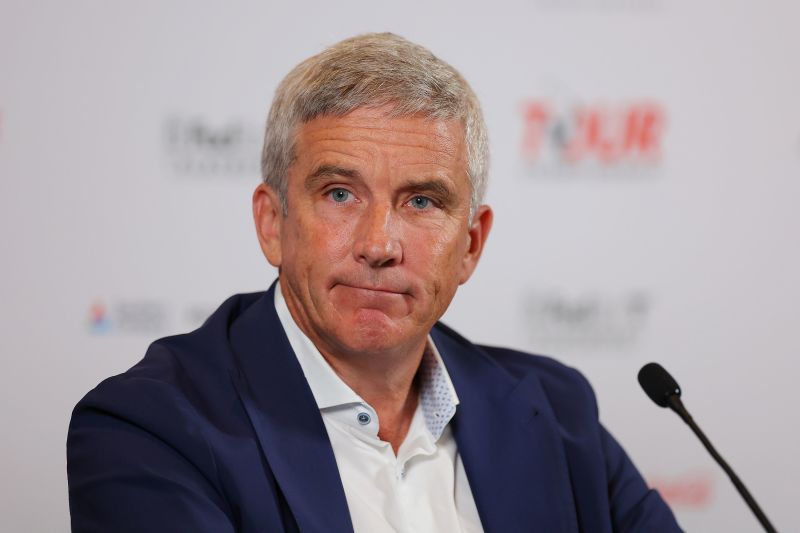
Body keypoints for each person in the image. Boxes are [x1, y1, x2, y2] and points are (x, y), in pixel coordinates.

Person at [67, 33, 682, 532]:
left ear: (470, 245)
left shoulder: (557, 412)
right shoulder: (149, 428)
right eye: (340, 193)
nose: (379, 245)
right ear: (273, 223)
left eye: (421, 201)